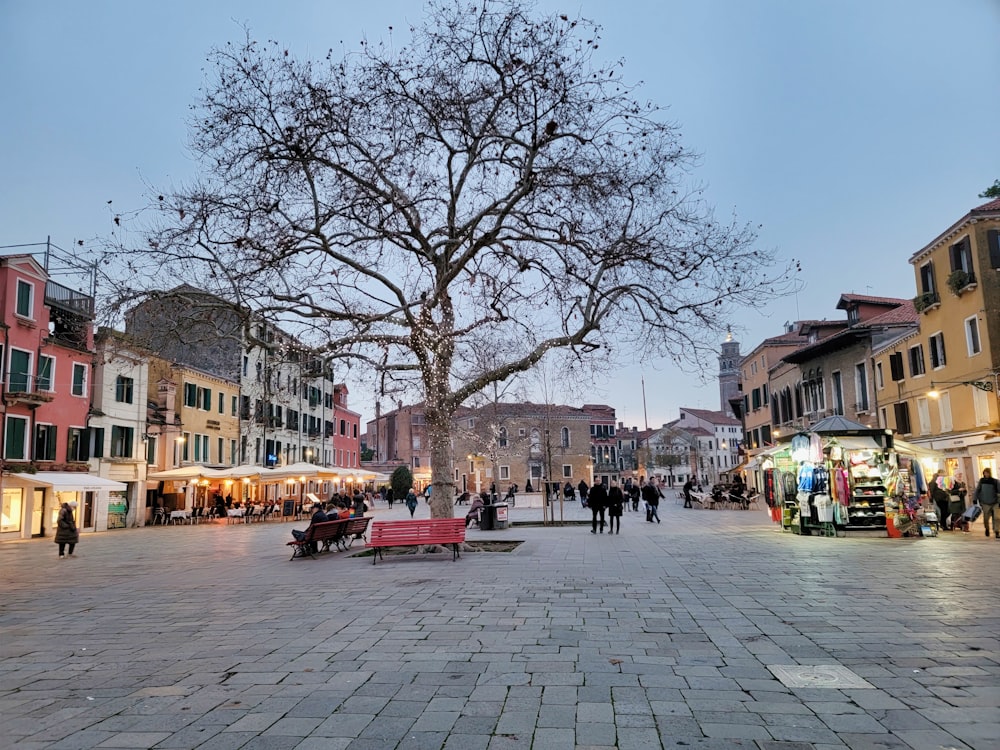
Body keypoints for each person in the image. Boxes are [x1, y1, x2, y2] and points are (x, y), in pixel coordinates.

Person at [973, 468, 999, 538]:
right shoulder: (981, 481)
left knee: (997, 517)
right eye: (985, 473)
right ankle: (987, 528)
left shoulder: (995, 481)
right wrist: (975, 499)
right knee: (986, 518)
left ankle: (997, 531)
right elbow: (977, 490)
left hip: (995, 502)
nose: (986, 474)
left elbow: (999, 492)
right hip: (985, 503)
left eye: (987, 473)